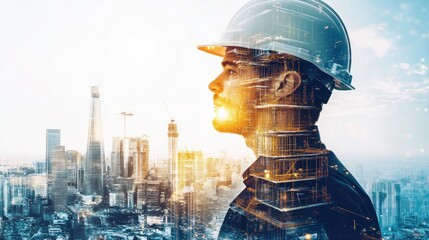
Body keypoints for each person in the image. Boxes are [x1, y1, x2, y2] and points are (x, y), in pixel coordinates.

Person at [198, 0, 381, 239]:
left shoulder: (299, 205)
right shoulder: (295, 189)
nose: (214, 84)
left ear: (284, 84)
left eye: (232, 71)